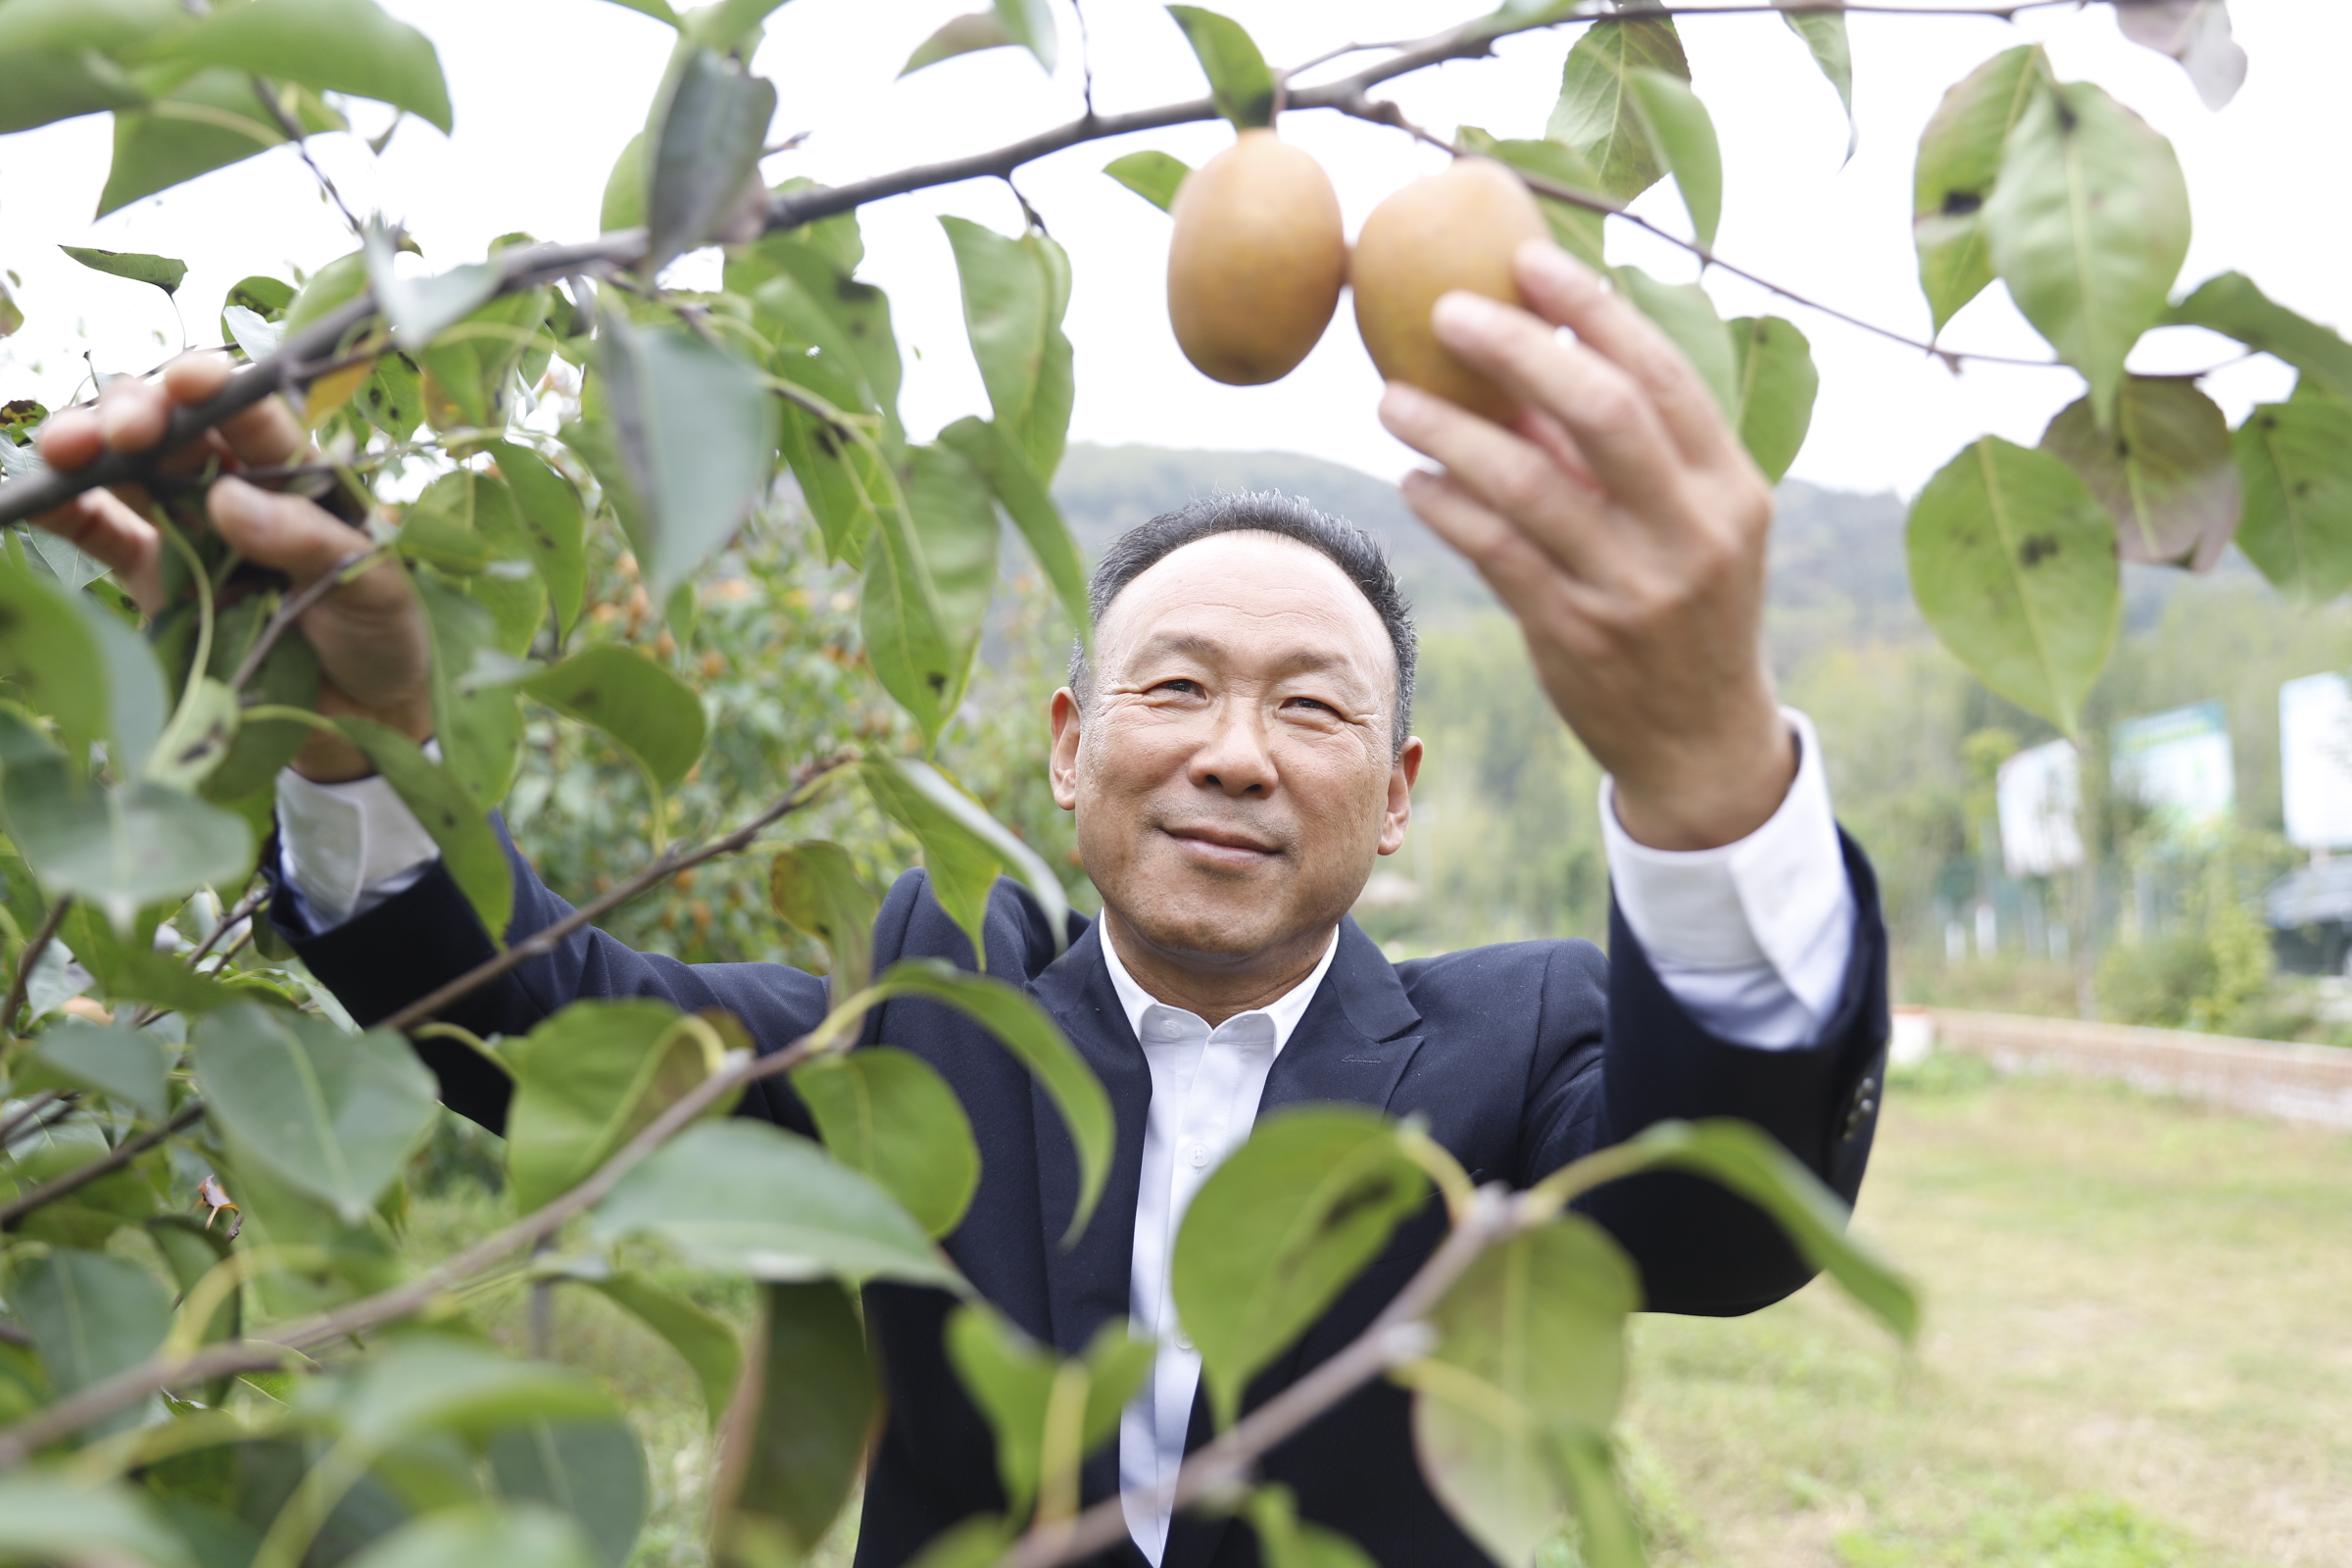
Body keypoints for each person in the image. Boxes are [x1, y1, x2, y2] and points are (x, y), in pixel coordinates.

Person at [31, 242, 1886, 1567]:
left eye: (1313, 710)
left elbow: (1731, 1225)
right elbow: (536, 1033)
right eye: (1177, 687)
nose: (1235, 754)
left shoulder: (1524, 1042)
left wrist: (1710, 774)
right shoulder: (930, 1016)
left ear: (1397, 798)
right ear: (1072, 752)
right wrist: (359, 748)